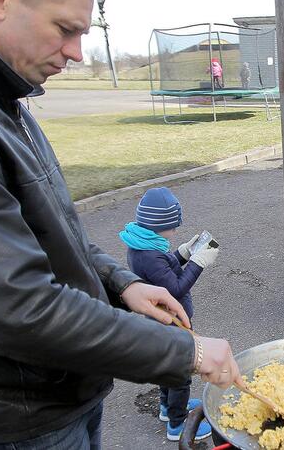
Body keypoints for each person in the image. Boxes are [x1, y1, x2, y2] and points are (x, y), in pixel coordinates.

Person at [0, 0, 239, 448]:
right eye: (65, 29)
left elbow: (53, 232)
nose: (77, 53)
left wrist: (120, 282)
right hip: (16, 416)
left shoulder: (0, 95)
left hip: (65, 388)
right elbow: (17, 310)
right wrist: (189, 352)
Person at [119, 187, 220, 442]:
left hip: (161, 320)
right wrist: (199, 262)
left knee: (167, 364)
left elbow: (164, 270)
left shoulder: (143, 245)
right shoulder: (150, 255)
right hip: (172, 320)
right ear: (158, 224)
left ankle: (168, 408)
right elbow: (174, 289)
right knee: (180, 369)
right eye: (172, 227)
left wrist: (184, 254)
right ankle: (177, 424)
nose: (175, 232)